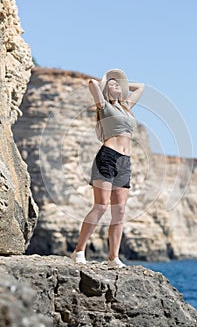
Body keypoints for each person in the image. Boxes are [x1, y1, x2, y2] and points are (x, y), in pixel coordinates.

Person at [71, 68, 144, 268]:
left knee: (119, 212)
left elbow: (141, 87)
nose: (116, 85)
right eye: (112, 84)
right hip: (107, 157)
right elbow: (92, 84)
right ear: (106, 90)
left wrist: (121, 85)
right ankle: (79, 250)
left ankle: (113, 257)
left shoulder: (126, 107)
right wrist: (105, 83)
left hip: (125, 161)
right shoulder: (103, 106)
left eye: (118, 84)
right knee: (101, 206)